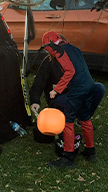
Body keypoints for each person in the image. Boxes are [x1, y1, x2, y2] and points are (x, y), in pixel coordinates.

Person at [29, 50, 106, 152]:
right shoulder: (48, 62)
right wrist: (35, 101)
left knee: (99, 88)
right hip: (58, 98)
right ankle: (65, 125)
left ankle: (82, 118)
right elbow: (38, 83)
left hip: (76, 94)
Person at [40, 31, 97, 168]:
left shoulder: (60, 51)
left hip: (78, 89)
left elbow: (69, 71)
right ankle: (90, 151)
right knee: (85, 117)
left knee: (68, 121)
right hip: (89, 85)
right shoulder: (74, 48)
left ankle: (68, 157)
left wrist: (56, 90)